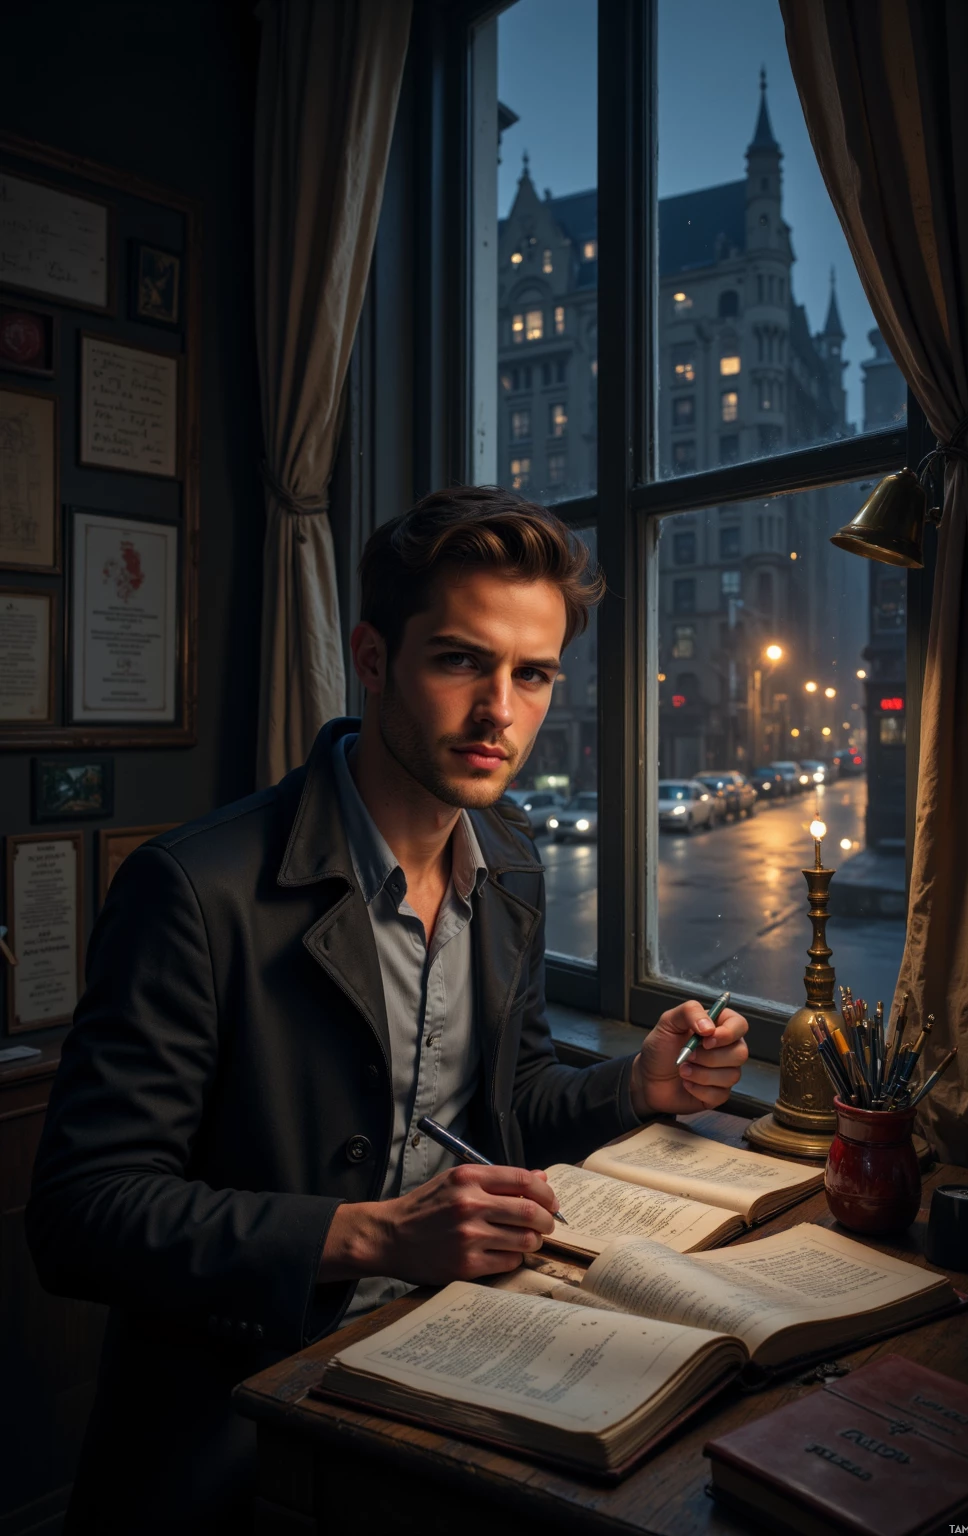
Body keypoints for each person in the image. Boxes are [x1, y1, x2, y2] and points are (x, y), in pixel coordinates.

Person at [28, 485, 748, 1533]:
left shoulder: (508, 862)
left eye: (533, 674)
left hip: (465, 1363)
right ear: (372, 659)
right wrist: (368, 1236)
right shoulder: (193, 888)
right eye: (462, 660)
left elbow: (514, 1102)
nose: (501, 712)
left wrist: (637, 1085)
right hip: (246, 1427)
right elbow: (81, 1216)